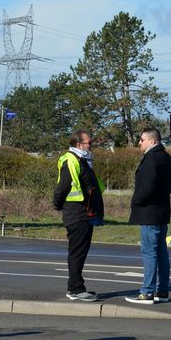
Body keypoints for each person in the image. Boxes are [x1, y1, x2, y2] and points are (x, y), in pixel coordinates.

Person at [53, 129, 105, 302]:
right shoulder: (71, 160)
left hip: (84, 213)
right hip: (76, 213)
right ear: (78, 144)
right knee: (77, 252)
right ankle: (75, 289)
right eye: (88, 143)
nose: (91, 145)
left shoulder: (83, 160)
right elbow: (63, 187)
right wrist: (58, 204)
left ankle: (75, 287)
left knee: (80, 252)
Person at [125, 128, 171, 305]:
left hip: (149, 213)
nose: (140, 143)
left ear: (152, 141)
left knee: (149, 252)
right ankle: (162, 290)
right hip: (162, 211)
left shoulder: (151, 159)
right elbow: (170, 187)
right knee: (161, 252)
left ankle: (147, 292)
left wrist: (135, 202)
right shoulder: (166, 158)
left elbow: (145, 188)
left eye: (142, 140)